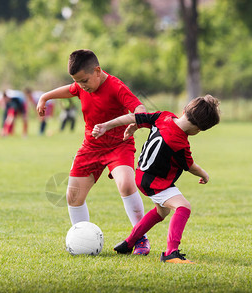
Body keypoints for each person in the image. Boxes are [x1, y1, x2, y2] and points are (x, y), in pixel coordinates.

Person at [37, 49, 150, 255]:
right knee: (73, 196)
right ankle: (82, 240)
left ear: (97, 71)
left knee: (126, 184)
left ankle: (140, 238)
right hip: (91, 147)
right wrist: (45, 97)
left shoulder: (116, 86)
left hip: (119, 145)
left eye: (84, 80)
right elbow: (70, 90)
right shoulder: (83, 86)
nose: (81, 86)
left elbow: (139, 108)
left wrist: (136, 122)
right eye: (77, 81)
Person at [92, 95, 221, 264]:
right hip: (155, 182)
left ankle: (128, 243)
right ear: (198, 130)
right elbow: (190, 166)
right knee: (183, 207)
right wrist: (204, 174)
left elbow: (134, 117)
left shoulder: (163, 116)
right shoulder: (180, 143)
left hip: (142, 175)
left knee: (162, 211)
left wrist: (108, 126)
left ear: (184, 111)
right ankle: (171, 253)